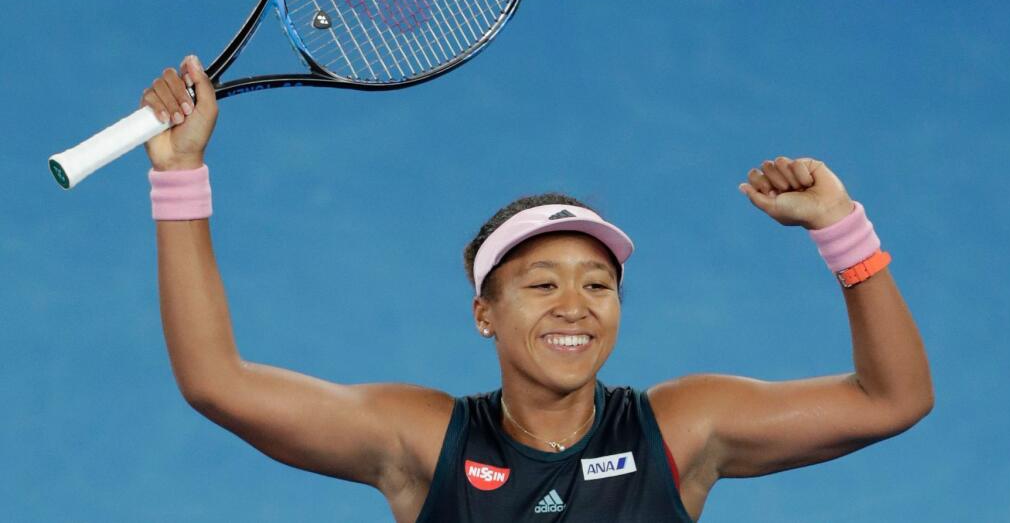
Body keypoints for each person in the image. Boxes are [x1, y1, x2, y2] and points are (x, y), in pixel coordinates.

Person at [142, 56, 934, 522]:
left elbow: (891, 399)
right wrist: (180, 177)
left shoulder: (681, 429)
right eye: (541, 282)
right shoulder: (422, 442)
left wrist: (841, 226)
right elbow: (217, 382)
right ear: (483, 313)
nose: (574, 305)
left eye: (598, 282)